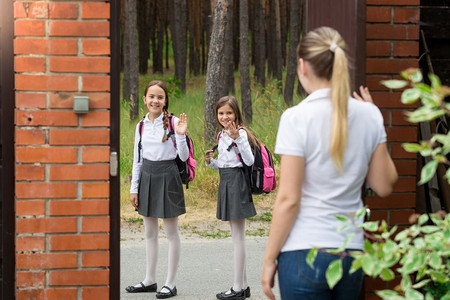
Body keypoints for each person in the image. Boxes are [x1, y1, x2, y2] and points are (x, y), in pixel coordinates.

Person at [261, 27, 398, 300]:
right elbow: (384, 185)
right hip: (351, 252)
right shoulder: (369, 115)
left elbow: (288, 199)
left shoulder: (296, 117)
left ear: (302, 66)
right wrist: (375, 120)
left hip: (304, 251)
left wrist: (268, 259)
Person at [125, 80, 189, 299]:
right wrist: (134, 189)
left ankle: (170, 283)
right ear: (144, 100)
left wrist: (180, 135)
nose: (155, 100)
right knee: (150, 232)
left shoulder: (173, 123)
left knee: (171, 233)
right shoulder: (141, 125)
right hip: (147, 177)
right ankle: (150, 280)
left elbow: (184, 157)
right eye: (151, 96)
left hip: (168, 176)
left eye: (160, 97)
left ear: (165, 101)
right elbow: (137, 160)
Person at [205, 96, 258, 300]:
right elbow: (226, 164)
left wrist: (238, 139)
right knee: (237, 237)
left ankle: (237, 288)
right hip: (226, 180)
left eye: (229, 112)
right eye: (221, 113)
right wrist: (211, 162)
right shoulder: (221, 135)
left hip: (237, 183)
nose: (225, 117)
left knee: (238, 239)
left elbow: (248, 160)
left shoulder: (240, 133)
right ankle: (243, 287)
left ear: (236, 113)